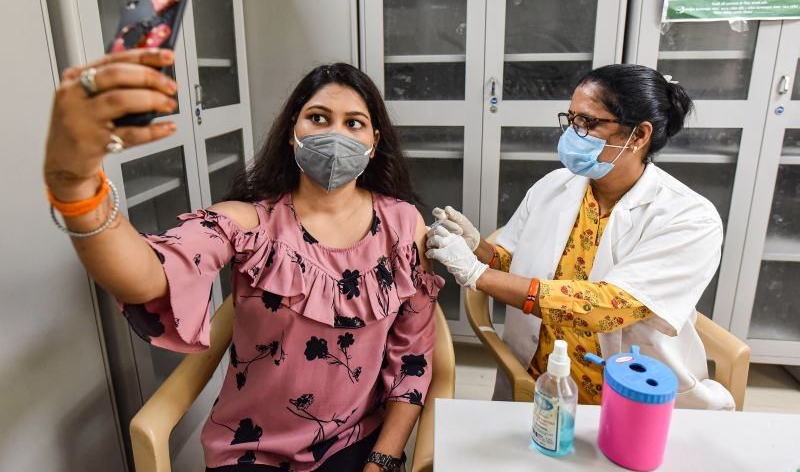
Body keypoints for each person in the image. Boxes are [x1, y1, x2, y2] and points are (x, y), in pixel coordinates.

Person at [44, 51, 443, 471]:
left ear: (374, 141)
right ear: (293, 133)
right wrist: (77, 187)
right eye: (319, 118)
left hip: (351, 443)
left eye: (354, 123)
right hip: (252, 448)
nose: (336, 135)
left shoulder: (402, 225)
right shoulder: (249, 222)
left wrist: (381, 460)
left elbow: (411, 360)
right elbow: (148, 278)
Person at [425, 63, 734, 410]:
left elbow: (608, 307)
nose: (573, 132)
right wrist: (478, 248)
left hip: (631, 395)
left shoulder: (690, 217)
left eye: (588, 122)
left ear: (638, 135)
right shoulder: (554, 186)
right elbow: (518, 262)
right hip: (544, 375)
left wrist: (477, 274)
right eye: (571, 119)